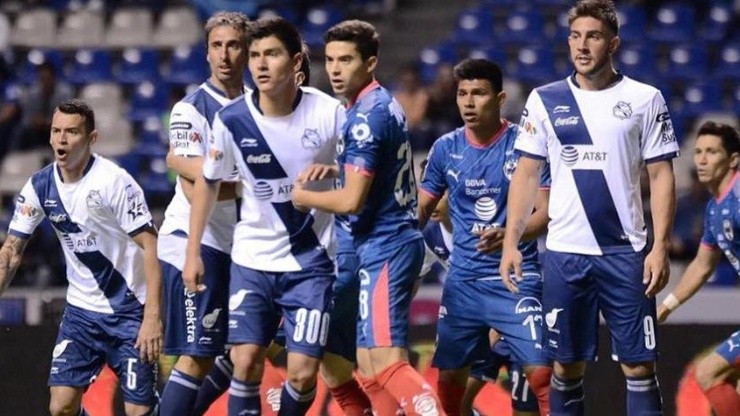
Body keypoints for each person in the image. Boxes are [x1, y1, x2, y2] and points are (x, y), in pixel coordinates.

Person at [499, 1, 680, 415]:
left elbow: (661, 175)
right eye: (575, 36)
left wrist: (660, 246)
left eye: (593, 36)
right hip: (565, 253)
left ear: (612, 43)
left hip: (625, 252)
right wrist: (511, 242)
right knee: (565, 366)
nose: (582, 45)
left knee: (638, 365)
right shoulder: (545, 100)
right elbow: (526, 175)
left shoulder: (644, 98)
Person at [181, 17, 344, 416]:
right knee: (246, 360)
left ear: (296, 61)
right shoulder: (232, 119)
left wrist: (335, 173)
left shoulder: (329, 113)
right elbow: (208, 183)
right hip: (252, 260)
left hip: (312, 263)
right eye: (254, 55)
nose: (260, 64)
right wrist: (192, 253)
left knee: (303, 374)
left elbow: (364, 173)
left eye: (271, 54)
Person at [292, 19, 445, 416]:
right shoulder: (370, 104)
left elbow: (351, 202)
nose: (336, 69)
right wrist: (337, 171)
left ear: (371, 62)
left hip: (385, 248)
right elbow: (370, 175)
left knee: (385, 360)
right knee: (341, 355)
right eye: (330, 60)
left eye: (346, 60)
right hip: (367, 249)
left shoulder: (365, 118)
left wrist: (303, 195)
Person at [0, 99, 162, 416]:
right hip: (81, 315)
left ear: (91, 139)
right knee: (60, 406)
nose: (62, 139)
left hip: (129, 312)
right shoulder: (39, 186)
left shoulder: (114, 182)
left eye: (72, 132)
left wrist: (153, 317)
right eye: (56, 131)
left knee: (137, 412)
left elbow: (151, 245)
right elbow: (11, 251)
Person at [417, 58, 551, 416]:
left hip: (515, 279)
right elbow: (421, 209)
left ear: (500, 97)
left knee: (542, 374)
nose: (468, 102)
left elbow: (548, 212)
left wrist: (511, 233)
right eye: (462, 94)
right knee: (450, 378)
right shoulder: (445, 148)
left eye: (478, 93)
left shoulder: (526, 145)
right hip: (463, 282)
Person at [157, 11, 250, 416]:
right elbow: (194, 184)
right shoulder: (190, 109)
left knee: (250, 346)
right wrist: (255, 180)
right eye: (217, 46)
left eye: (233, 45)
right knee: (197, 356)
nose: (225, 55)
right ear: (206, 53)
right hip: (196, 242)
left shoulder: (257, 107)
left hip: (242, 247)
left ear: (247, 51)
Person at [417, 158, 539, 416]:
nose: (433, 200)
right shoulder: (430, 234)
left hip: (517, 318)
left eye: (441, 192)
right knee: (453, 403)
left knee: (525, 411)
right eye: (429, 190)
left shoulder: (485, 228)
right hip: (480, 325)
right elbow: (409, 283)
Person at [657, 122, 740, 416]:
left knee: (708, 373)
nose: (702, 160)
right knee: (729, 384)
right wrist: (667, 304)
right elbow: (703, 265)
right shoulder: (715, 208)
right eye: (699, 152)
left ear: (733, 160)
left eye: (712, 152)